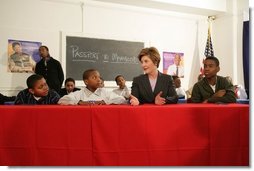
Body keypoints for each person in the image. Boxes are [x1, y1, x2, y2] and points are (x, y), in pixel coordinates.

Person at [58, 69, 127, 105]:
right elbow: (62, 100)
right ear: (86, 82)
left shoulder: (105, 92)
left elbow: (122, 100)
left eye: (99, 77)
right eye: (94, 77)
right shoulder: (79, 94)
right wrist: (79, 102)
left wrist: (104, 101)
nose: (98, 80)